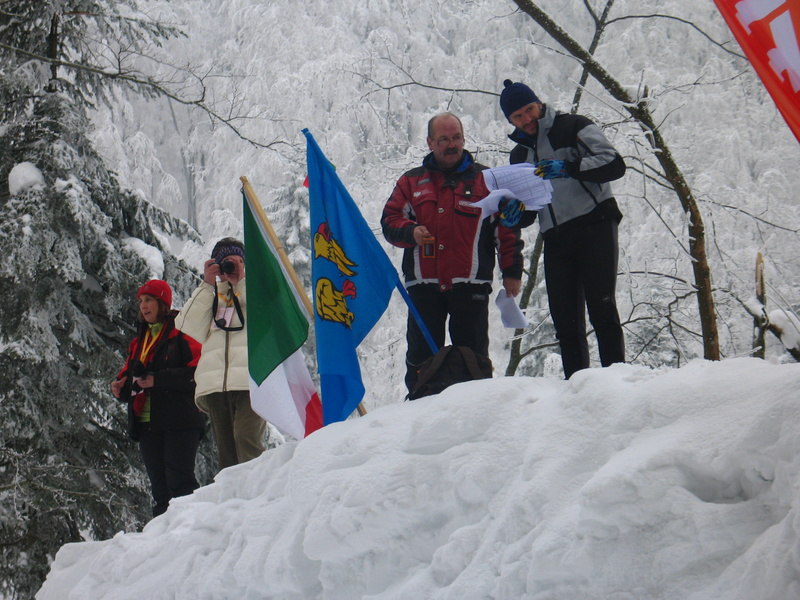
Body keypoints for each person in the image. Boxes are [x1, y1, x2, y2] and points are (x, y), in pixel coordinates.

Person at [381, 112, 524, 393]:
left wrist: (512, 271)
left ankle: (475, 411)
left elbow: (506, 230)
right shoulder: (410, 182)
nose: (452, 145)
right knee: (421, 362)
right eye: (444, 139)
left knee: (473, 361)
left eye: (456, 138)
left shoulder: (487, 181)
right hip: (424, 288)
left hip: (470, 287)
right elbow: (389, 221)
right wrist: (411, 232)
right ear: (430, 143)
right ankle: (419, 410)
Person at [499, 79, 626, 379]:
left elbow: (614, 163)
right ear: (511, 121)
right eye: (518, 116)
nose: (527, 119)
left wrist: (569, 167)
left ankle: (617, 381)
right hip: (555, 237)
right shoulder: (518, 156)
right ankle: (576, 385)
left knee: (602, 307)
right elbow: (530, 209)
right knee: (565, 319)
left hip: (595, 222)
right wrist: (515, 213)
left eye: (529, 110)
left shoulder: (573, 126)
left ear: (539, 104)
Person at [111, 279, 205, 518]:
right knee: (160, 490)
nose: (143, 306)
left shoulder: (182, 331)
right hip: (147, 423)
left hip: (181, 419)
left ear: (163, 303)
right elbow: (131, 376)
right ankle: (164, 538)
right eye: (141, 301)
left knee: (180, 484)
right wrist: (120, 386)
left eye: (149, 300)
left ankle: (191, 531)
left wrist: (158, 379)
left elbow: (200, 372)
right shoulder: (139, 340)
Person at [174, 237, 266, 470]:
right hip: (216, 386)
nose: (229, 268)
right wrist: (207, 284)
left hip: (250, 381)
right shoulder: (214, 298)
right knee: (227, 457)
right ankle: (233, 494)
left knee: (247, 440)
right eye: (224, 263)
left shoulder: (256, 291)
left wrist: (241, 282)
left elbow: (268, 318)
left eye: (234, 262)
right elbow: (186, 325)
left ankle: (258, 489)